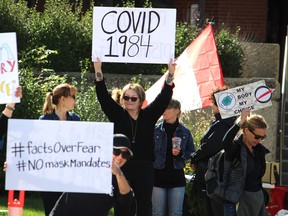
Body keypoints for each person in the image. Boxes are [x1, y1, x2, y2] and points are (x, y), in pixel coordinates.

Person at [93, 58, 176, 216]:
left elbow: (165, 96)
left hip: (144, 167)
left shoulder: (149, 115)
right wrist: (98, 69)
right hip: (121, 166)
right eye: (126, 98)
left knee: (144, 206)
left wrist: (171, 73)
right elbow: (103, 96)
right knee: (123, 205)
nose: (129, 101)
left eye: (133, 98)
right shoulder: (117, 114)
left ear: (141, 101)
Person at [49, 134, 135, 216]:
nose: (120, 157)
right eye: (116, 151)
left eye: (125, 155)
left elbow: (127, 198)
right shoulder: (86, 162)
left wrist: (118, 173)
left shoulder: (120, 179)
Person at [190, 86, 237, 216]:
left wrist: (194, 157)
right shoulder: (229, 122)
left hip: (216, 177)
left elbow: (210, 147)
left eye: (213, 103)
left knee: (215, 210)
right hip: (220, 176)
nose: (211, 106)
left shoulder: (223, 124)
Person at [218, 109, 269, 216]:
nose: (259, 140)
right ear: (246, 131)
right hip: (236, 202)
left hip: (256, 201)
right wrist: (239, 123)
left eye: (263, 137)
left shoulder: (259, 151)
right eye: (257, 136)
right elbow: (225, 143)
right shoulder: (235, 148)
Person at [39, 83, 80, 216]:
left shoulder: (76, 120)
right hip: (49, 176)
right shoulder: (44, 120)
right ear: (63, 99)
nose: (75, 100)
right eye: (73, 97)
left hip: (70, 176)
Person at [152, 99, 195, 216]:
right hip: (157, 178)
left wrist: (181, 154)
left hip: (177, 179)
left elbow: (192, 153)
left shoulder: (185, 132)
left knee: (176, 213)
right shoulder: (155, 130)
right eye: (163, 107)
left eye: (168, 108)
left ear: (177, 111)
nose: (164, 110)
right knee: (157, 213)